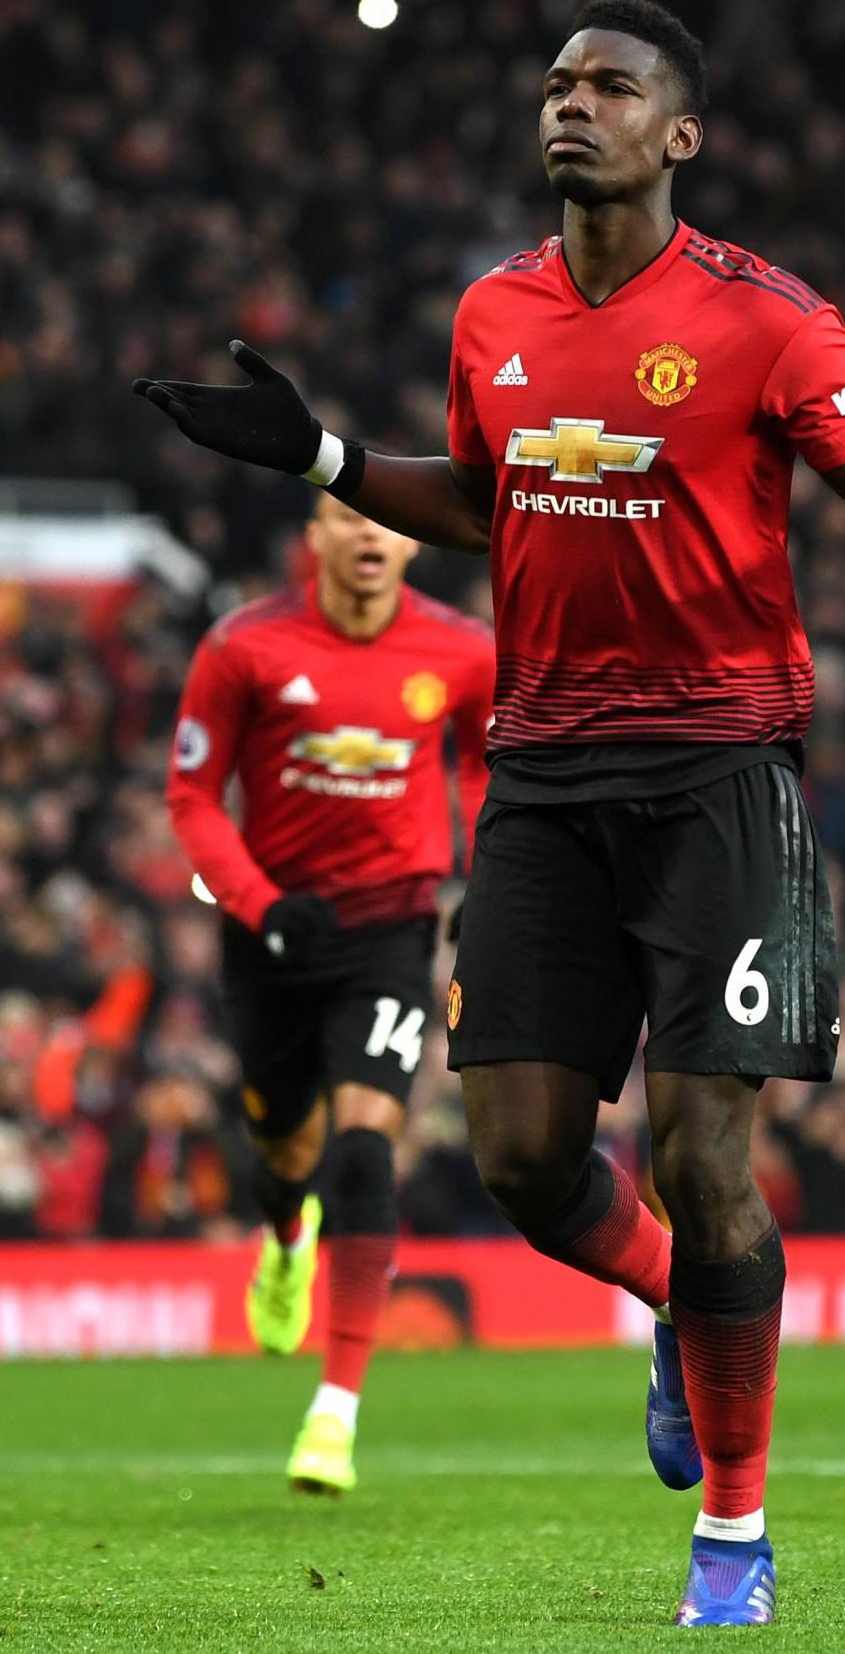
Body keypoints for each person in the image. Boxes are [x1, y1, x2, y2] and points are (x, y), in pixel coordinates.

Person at [138, 0, 845, 1628]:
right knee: (516, 1155)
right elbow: (484, 497)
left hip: (726, 769)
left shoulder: (768, 318)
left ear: (679, 133)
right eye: (558, 83)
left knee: (701, 1151)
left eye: (611, 85)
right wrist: (313, 454)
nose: (570, 104)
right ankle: (673, 1302)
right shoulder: (491, 309)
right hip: (543, 772)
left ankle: (730, 1539)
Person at [165, 492, 493, 1494]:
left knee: (361, 1148)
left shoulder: (461, 651)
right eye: (343, 520)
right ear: (310, 537)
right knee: (284, 1153)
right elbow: (190, 795)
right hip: (271, 932)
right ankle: (280, 1237)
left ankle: (334, 1409)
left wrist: (485, 878)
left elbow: (484, 769)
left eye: (383, 522)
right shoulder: (243, 646)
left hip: (390, 930)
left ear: (409, 537)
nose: (366, 536)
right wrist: (261, 905)